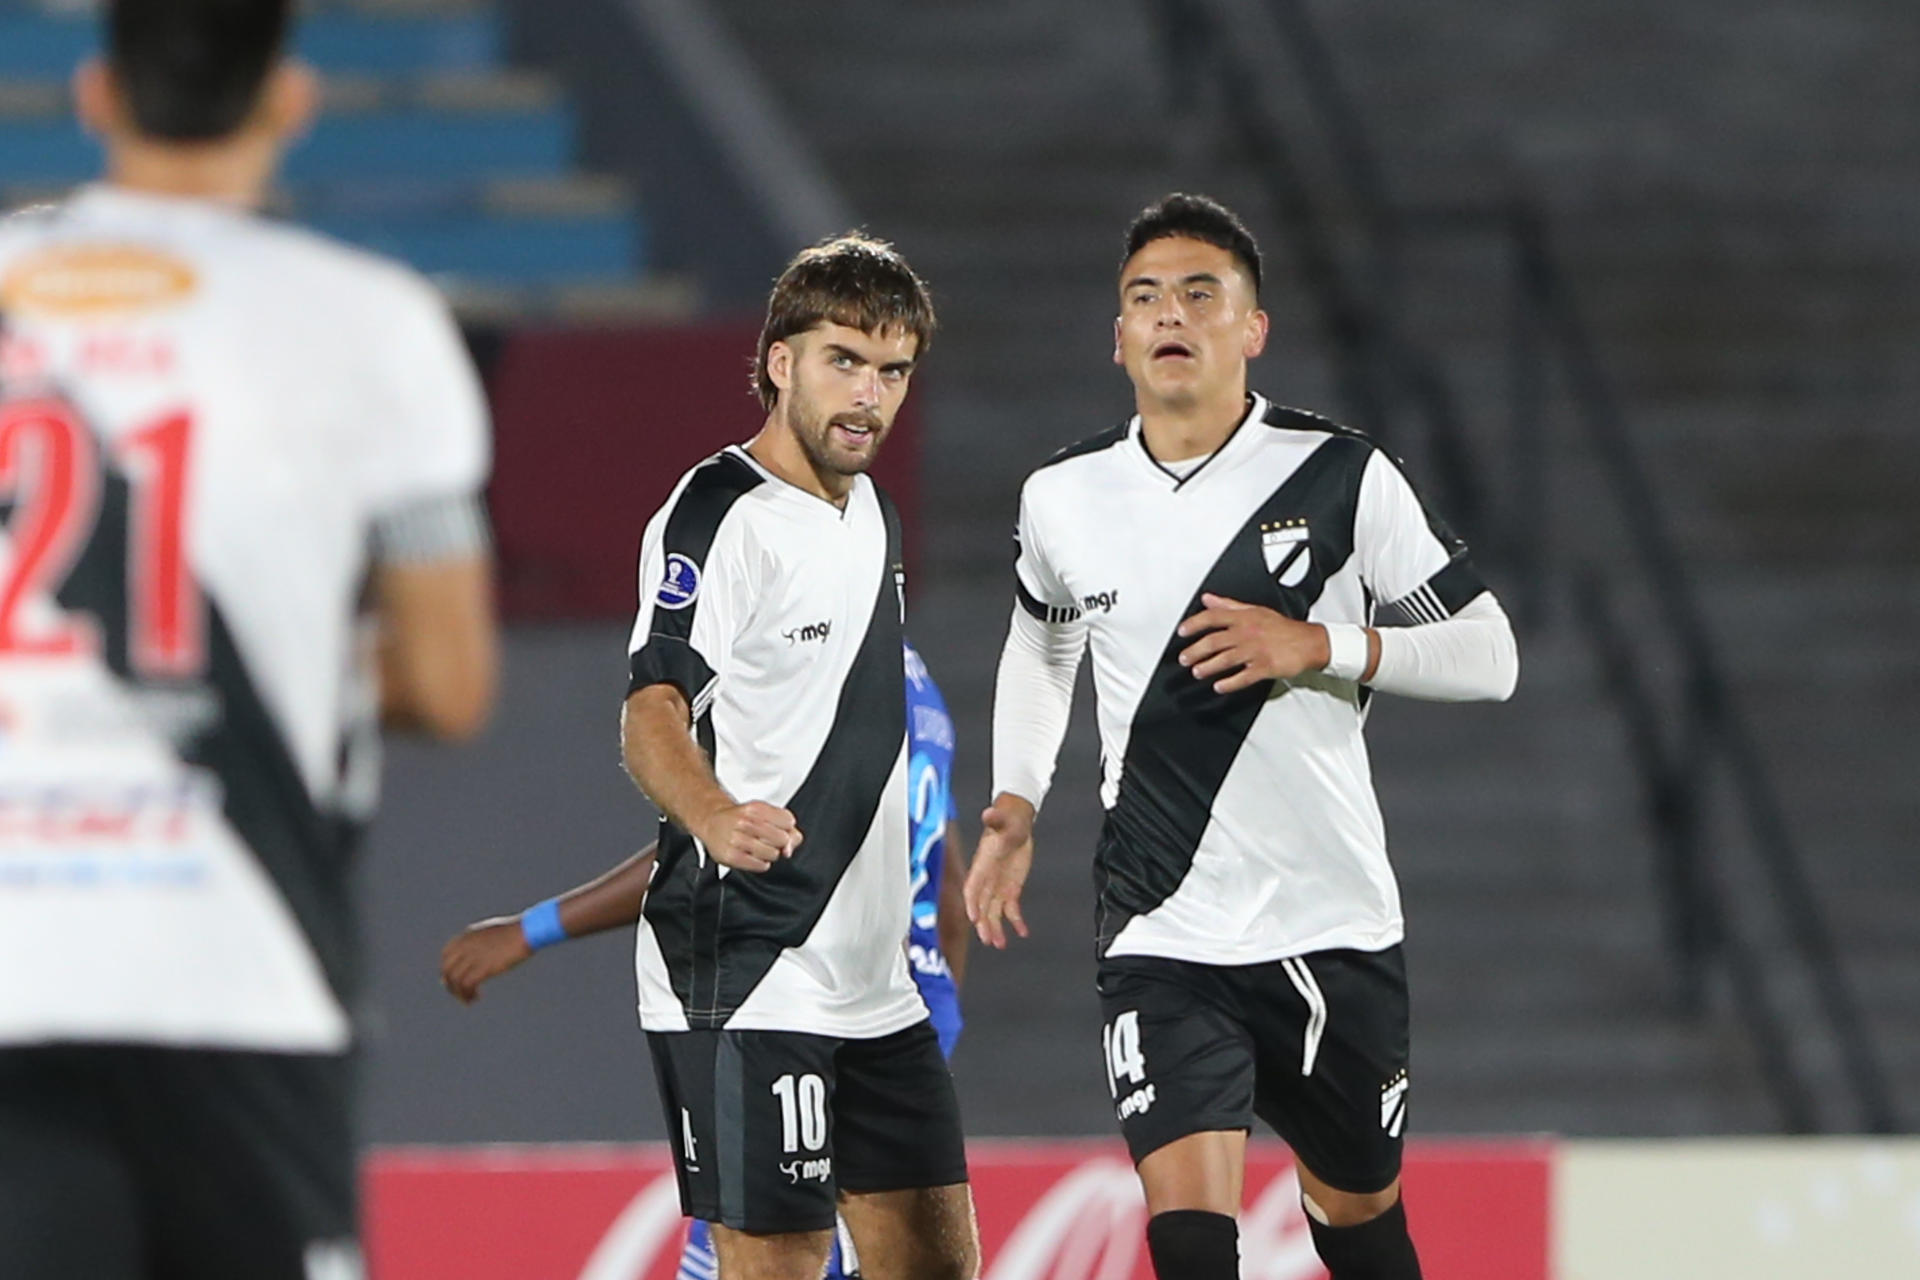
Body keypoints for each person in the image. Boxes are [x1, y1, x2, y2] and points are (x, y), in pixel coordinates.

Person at [0, 2, 497, 1277]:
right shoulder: (372, 326)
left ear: (96, 95)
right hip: (242, 964)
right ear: (291, 98)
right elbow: (447, 684)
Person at [966, 193, 1518, 1280]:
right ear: (1117, 334)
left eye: (1200, 294)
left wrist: (1320, 642)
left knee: (1358, 1215)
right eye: (1144, 298)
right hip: (1161, 920)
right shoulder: (1062, 495)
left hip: (1331, 916)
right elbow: (1042, 647)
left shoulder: (1342, 475)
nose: (1170, 314)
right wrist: (1017, 803)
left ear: (1253, 327)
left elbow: (1491, 654)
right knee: (1187, 1224)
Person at [614, 235, 977, 1280]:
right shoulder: (717, 514)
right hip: (750, 968)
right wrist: (714, 811)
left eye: (894, 369)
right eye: (844, 360)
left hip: (874, 983)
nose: (870, 395)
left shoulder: (872, 512)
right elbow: (651, 711)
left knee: (942, 1265)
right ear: (779, 360)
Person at [439, 638, 971, 1280]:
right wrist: (932, 1014)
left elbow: (731, 844)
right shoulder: (910, 673)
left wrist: (533, 929)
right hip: (902, 1008)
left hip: (810, 1004)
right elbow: (949, 891)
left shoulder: (823, 661)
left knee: (755, 1252)